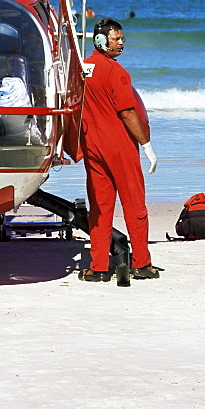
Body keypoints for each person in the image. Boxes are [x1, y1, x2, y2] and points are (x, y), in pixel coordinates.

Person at [78, 18, 159, 282]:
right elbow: (127, 112)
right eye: (117, 38)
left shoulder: (82, 68)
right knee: (134, 204)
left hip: (92, 146)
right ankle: (141, 264)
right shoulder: (117, 72)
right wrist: (146, 144)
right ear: (101, 41)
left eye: (123, 38)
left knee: (100, 208)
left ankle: (99, 266)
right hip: (119, 147)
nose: (122, 43)